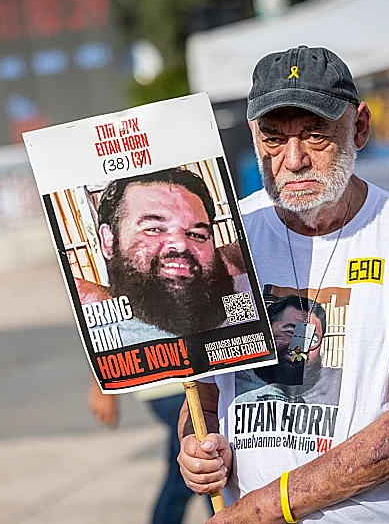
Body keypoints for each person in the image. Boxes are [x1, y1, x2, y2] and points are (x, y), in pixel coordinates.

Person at [176, 45, 389, 523]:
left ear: (359, 127)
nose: (293, 160)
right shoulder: (229, 236)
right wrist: (197, 448)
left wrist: (263, 508)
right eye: (273, 138)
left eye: (315, 135)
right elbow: (207, 395)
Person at [77, 168, 253, 346]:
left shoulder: (245, 297)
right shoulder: (90, 335)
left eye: (196, 234)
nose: (181, 244)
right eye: (154, 229)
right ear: (109, 241)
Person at [88, 381, 214, 524]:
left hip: (194, 384)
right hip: (170, 387)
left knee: (198, 471)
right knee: (204, 470)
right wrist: (101, 387)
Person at [235, 294, 342, 406]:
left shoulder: (341, 386)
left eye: (312, 339)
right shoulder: (236, 383)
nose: (300, 348)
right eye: (290, 332)